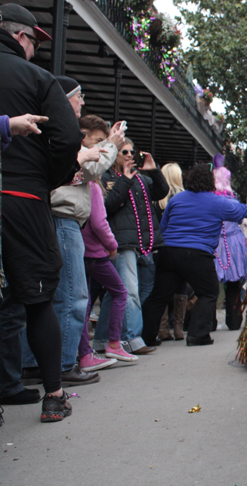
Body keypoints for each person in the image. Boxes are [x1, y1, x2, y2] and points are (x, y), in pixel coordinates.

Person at [0, 2, 84, 422]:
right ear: (20, 37)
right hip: (23, 198)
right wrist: (49, 178)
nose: (35, 49)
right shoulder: (36, 77)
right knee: (37, 300)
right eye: (34, 40)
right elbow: (68, 135)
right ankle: (54, 396)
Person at [20, 83, 123, 386]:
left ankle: (34, 364)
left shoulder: (52, 131)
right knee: (73, 296)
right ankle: (64, 364)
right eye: (79, 97)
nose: (82, 103)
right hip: (63, 220)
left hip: (54, 218)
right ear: (65, 101)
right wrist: (113, 146)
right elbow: (88, 169)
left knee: (45, 296)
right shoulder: (65, 134)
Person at [140, 164, 247, 347]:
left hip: (169, 252)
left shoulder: (177, 199)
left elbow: (164, 226)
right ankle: (197, 335)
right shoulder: (218, 202)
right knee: (208, 293)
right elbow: (241, 212)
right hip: (198, 254)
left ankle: (146, 337)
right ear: (210, 182)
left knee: (158, 296)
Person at [95, 138, 168, 354]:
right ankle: (131, 339)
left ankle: (101, 339)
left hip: (143, 244)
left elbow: (161, 192)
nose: (129, 155)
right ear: (113, 155)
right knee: (129, 292)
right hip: (121, 243)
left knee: (116, 293)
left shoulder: (141, 179)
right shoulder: (105, 177)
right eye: (123, 151)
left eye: (131, 151)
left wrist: (154, 171)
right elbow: (106, 206)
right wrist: (125, 181)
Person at [77, 117, 138, 369]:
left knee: (84, 302)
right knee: (120, 292)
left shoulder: (91, 181)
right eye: (97, 142)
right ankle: (112, 343)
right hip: (96, 251)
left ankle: (85, 352)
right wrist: (111, 246)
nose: (102, 148)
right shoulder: (92, 182)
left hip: (88, 250)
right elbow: (100, 221)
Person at [212, 154, 247, 331]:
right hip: (234, 243)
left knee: (211, 285)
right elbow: (243, 218)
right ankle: (234, 322)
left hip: (214, 243)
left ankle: (209, 322)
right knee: (234, 284)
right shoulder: (233, 202)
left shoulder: (209, 201)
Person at [155, 162, 187, 341]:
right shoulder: (184, 198)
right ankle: (179, 328)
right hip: (182, 246)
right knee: (180, 286)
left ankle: (163, 328)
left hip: (162, 246)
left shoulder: (158, 199)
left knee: (162, 287)